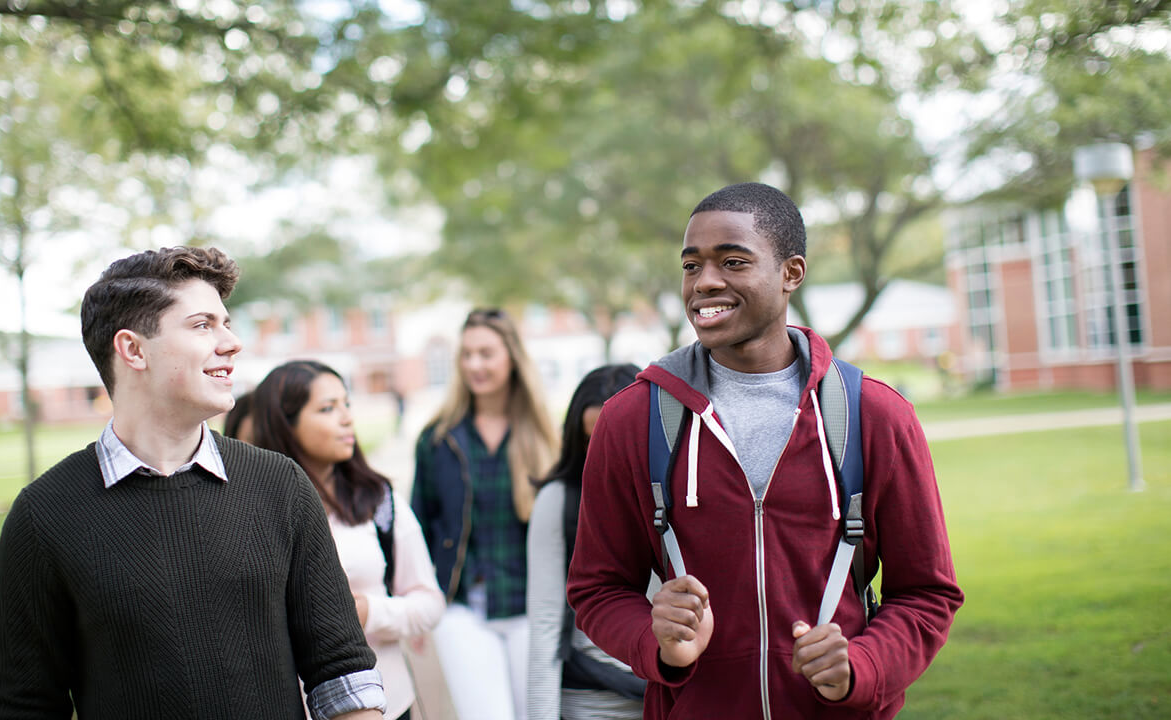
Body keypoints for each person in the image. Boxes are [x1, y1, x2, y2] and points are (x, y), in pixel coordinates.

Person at [566, 183, 963, 719]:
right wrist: (655, 641)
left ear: (791, 273)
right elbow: (597, 587)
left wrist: (862, 665)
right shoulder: (630, 420)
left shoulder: (876, 415)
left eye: (732, 261)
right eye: (691, 266)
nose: (705, 282)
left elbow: (927, 592)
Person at [0, 247, 385, 720]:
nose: (232, 342)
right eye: (202, 325)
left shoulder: (280, 485)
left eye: (226, 323)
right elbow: (26, 705)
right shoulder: (44, 515)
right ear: (133, 349)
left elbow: (342, 673)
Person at [252, 360, 445, 720]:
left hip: (385, 702)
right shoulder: (252, 511)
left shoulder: (378, 500)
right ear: (284, 424)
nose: (346, 418)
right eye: (327, 409)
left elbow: (429, 604)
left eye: (346, 404)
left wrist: (368, 611)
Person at [411, 308, 559, 720]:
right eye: (467, 354)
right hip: (462, 608)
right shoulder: (438, 438)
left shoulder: (545, 437)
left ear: (511, 356)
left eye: (486, 353)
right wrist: (417, 602)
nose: (474, 364)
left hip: (533, 608)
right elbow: (419, 524)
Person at [527, 363, 645, 720]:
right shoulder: (558, 500)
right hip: (591, 703)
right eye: (589, 439)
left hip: (669, 696)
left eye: (613, 436)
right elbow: (545, 625)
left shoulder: (683, 494)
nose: (601, 454)